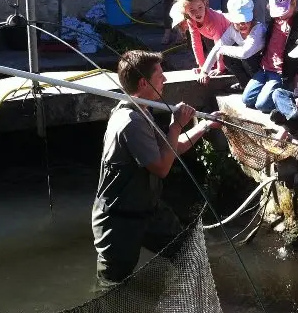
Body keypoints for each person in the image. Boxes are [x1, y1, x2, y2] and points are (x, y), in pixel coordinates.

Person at [92, 50, 221, 286]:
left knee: (187, 254)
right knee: (114, 283)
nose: (166, 80)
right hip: (119, 219)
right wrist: (175, 127)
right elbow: (162, 168)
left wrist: (203, 125)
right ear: (144, 82)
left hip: (148, 210)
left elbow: (173, 148)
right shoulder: (129, 121)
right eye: (160, 75)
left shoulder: (143, 110)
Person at [242, 0, 298, 112]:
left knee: (262, 105)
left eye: (283, 11)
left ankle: (283, 93)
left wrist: (297, 78)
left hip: (280, 72)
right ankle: (269, 89)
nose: (280, 16)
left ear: (294, 3)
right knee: (247, 99)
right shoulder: (275, 20)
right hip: (265, 67)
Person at [199, 0, 265, 90]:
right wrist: (205, 71)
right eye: (238, 21)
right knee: (227, 56)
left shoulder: (258, 30)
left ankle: (258, 85)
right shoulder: (232, 29)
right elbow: (218, 46)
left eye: (246, 20)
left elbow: (244, 53)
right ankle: (245, 84)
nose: (242, 24)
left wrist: (222, 49)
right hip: (247, 63)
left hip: (260, 68)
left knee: (245, 57)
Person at [172, 0, 230, 75]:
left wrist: (220, 68)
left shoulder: (213, 20)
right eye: (192, 10)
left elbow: (219, 46)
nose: (197, 13)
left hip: (232, 36)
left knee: (229, 62)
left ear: (205, 3)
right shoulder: (191, 21)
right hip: (213, 36)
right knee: (209, 48)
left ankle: (224, 67)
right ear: (186, 11)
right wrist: (201, 66)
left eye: (200, 7)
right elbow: (196, 43)